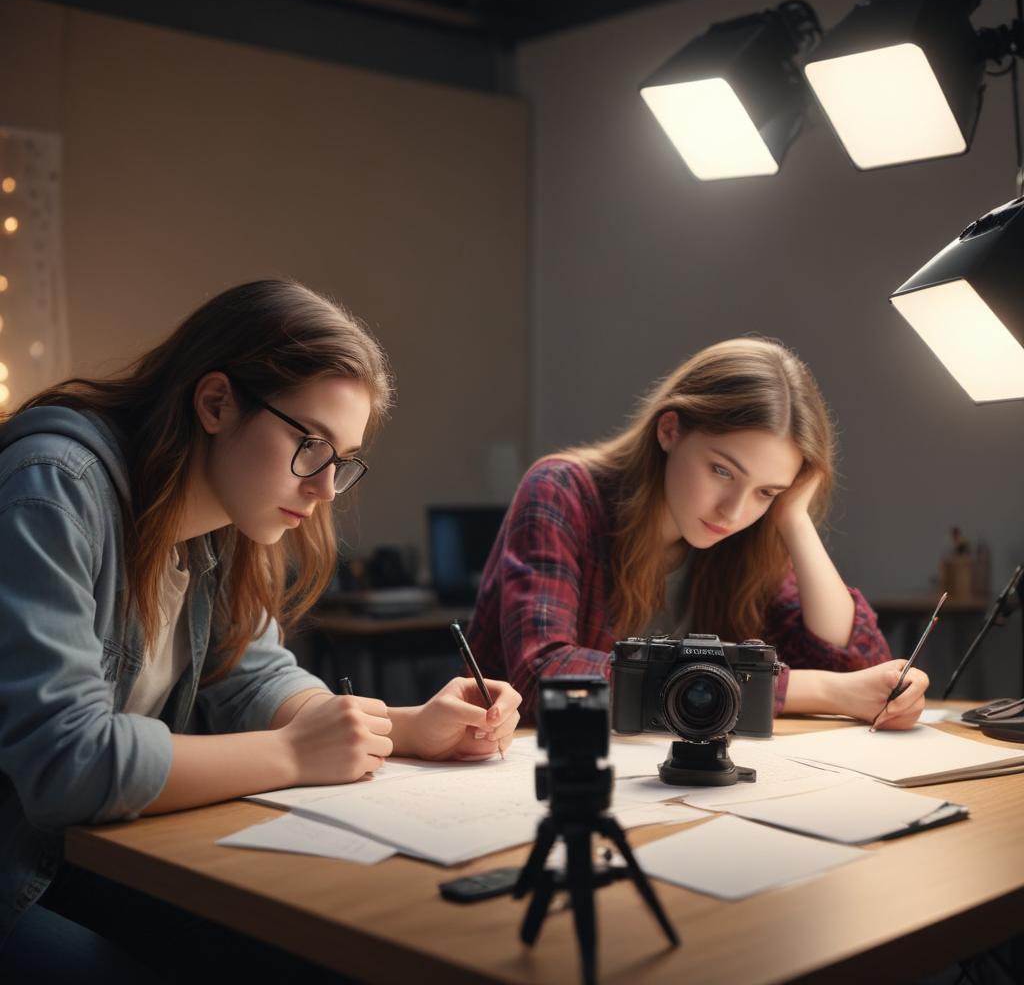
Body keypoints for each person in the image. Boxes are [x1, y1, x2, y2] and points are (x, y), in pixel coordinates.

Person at [0, 279, 521, 978]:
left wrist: (406, 729)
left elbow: (256, 678)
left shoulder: (222, 521)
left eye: (342, 460)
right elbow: (67, 762)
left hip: (82, 859)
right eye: (310, 444)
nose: (325, 488)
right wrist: (293, 755)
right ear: (216, 403)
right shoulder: (54, 488)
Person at [469, 337, 927, 730]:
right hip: (547, 774)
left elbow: (861, 673)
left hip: (673, 782)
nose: (734, 511)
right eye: (722, 471)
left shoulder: (748, 535)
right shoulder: (561, 490)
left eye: (766, 491)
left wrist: (793, 517)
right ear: (670, 430)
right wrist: (821, 690)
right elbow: (545, 675)